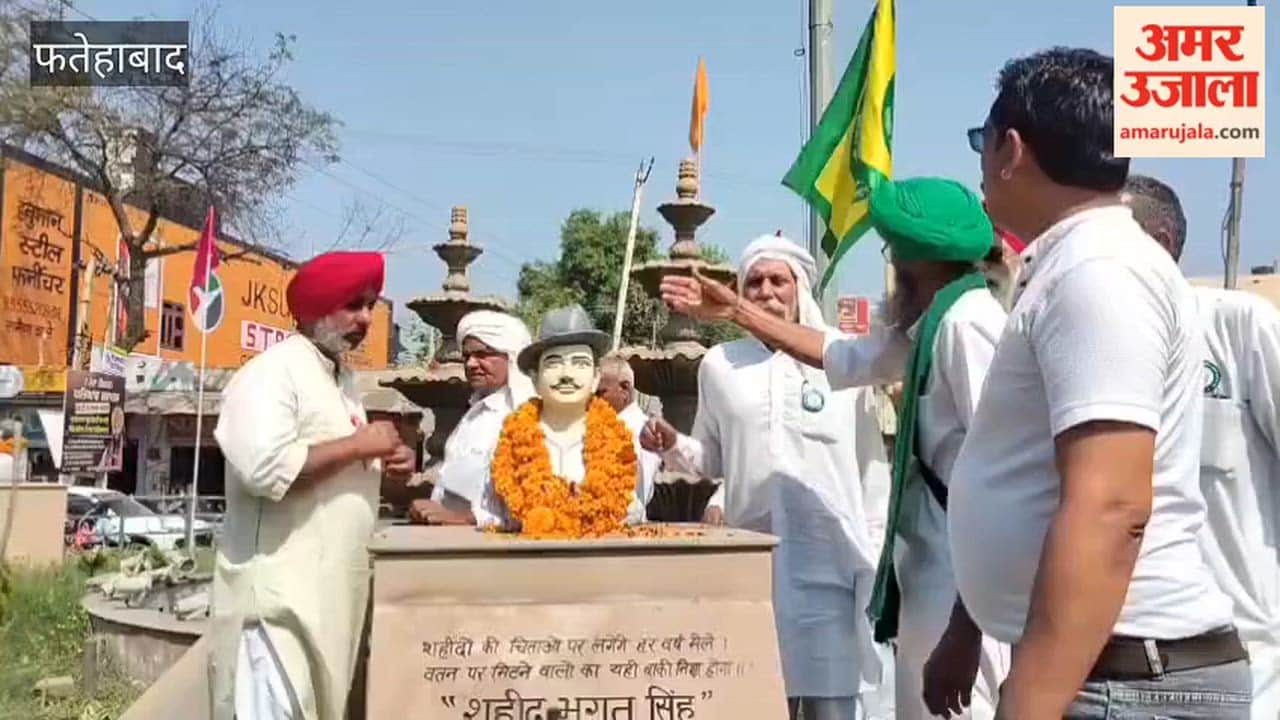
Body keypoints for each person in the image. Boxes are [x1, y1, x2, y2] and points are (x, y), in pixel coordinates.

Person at [950, 48, 1247, 719]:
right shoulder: (1077, 263)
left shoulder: (1098, 270)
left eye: (981, 141)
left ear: (1010, 149)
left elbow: (1111, 507)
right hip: (1105, 672)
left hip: (1125, 680)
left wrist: (1027, 704)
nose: (982, 162)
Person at [659, 179, 1012, 720]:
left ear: (918, 257)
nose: (889, 262)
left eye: (893, 249)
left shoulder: (968, 326)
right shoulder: (929, 324)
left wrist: (968, 627)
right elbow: (842, 356)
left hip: (960, 587)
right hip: (931, 576)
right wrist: (734, 310)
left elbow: (1000, 480)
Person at [643, 235, 892, 720]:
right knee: (756, 703)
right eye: (754, 281)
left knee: (835, 706)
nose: (766, 291)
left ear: (800, 287)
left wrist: (878, 561)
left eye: (779, 280)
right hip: (755, 573)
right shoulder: (720, 365)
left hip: (834, 575)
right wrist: (672, 444)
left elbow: (871, 471)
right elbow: (710, 460)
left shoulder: (842, 360)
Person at [210, 250, 416, 720]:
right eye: (354, 305)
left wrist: (387, 462)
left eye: (371, 305)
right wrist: (362, 446)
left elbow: (336, 468)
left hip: (325, 601)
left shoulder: (341, 379)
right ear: (317, 307)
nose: (366, 318)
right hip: (278, 605)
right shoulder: (271, 373)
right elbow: (264, 470)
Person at [1123, 174, 1280, 719]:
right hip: (1122, 667)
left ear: (1162, 244)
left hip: (1246, 662)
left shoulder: (1239, 325)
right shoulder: (1093, 351)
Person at [473, 305, 647, 531]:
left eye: (580, 363)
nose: (567, 374)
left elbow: (635, 510)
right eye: (554, 363)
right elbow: (488, 515)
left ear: (595, 378)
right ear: (535, 379)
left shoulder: (620, 441)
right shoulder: (509, 442)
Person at [410, 310, 533, 525]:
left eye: (482, 354)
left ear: (512, 356)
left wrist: (465, 519)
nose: (470, 364)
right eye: (467, 356)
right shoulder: (475, 412)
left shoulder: (528, 417)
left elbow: (534, 507)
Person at [596, 353, 660, 512]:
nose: (592, 400)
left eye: (600, 393)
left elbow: (632, 499)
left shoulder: (632, 431)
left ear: (624, 389)